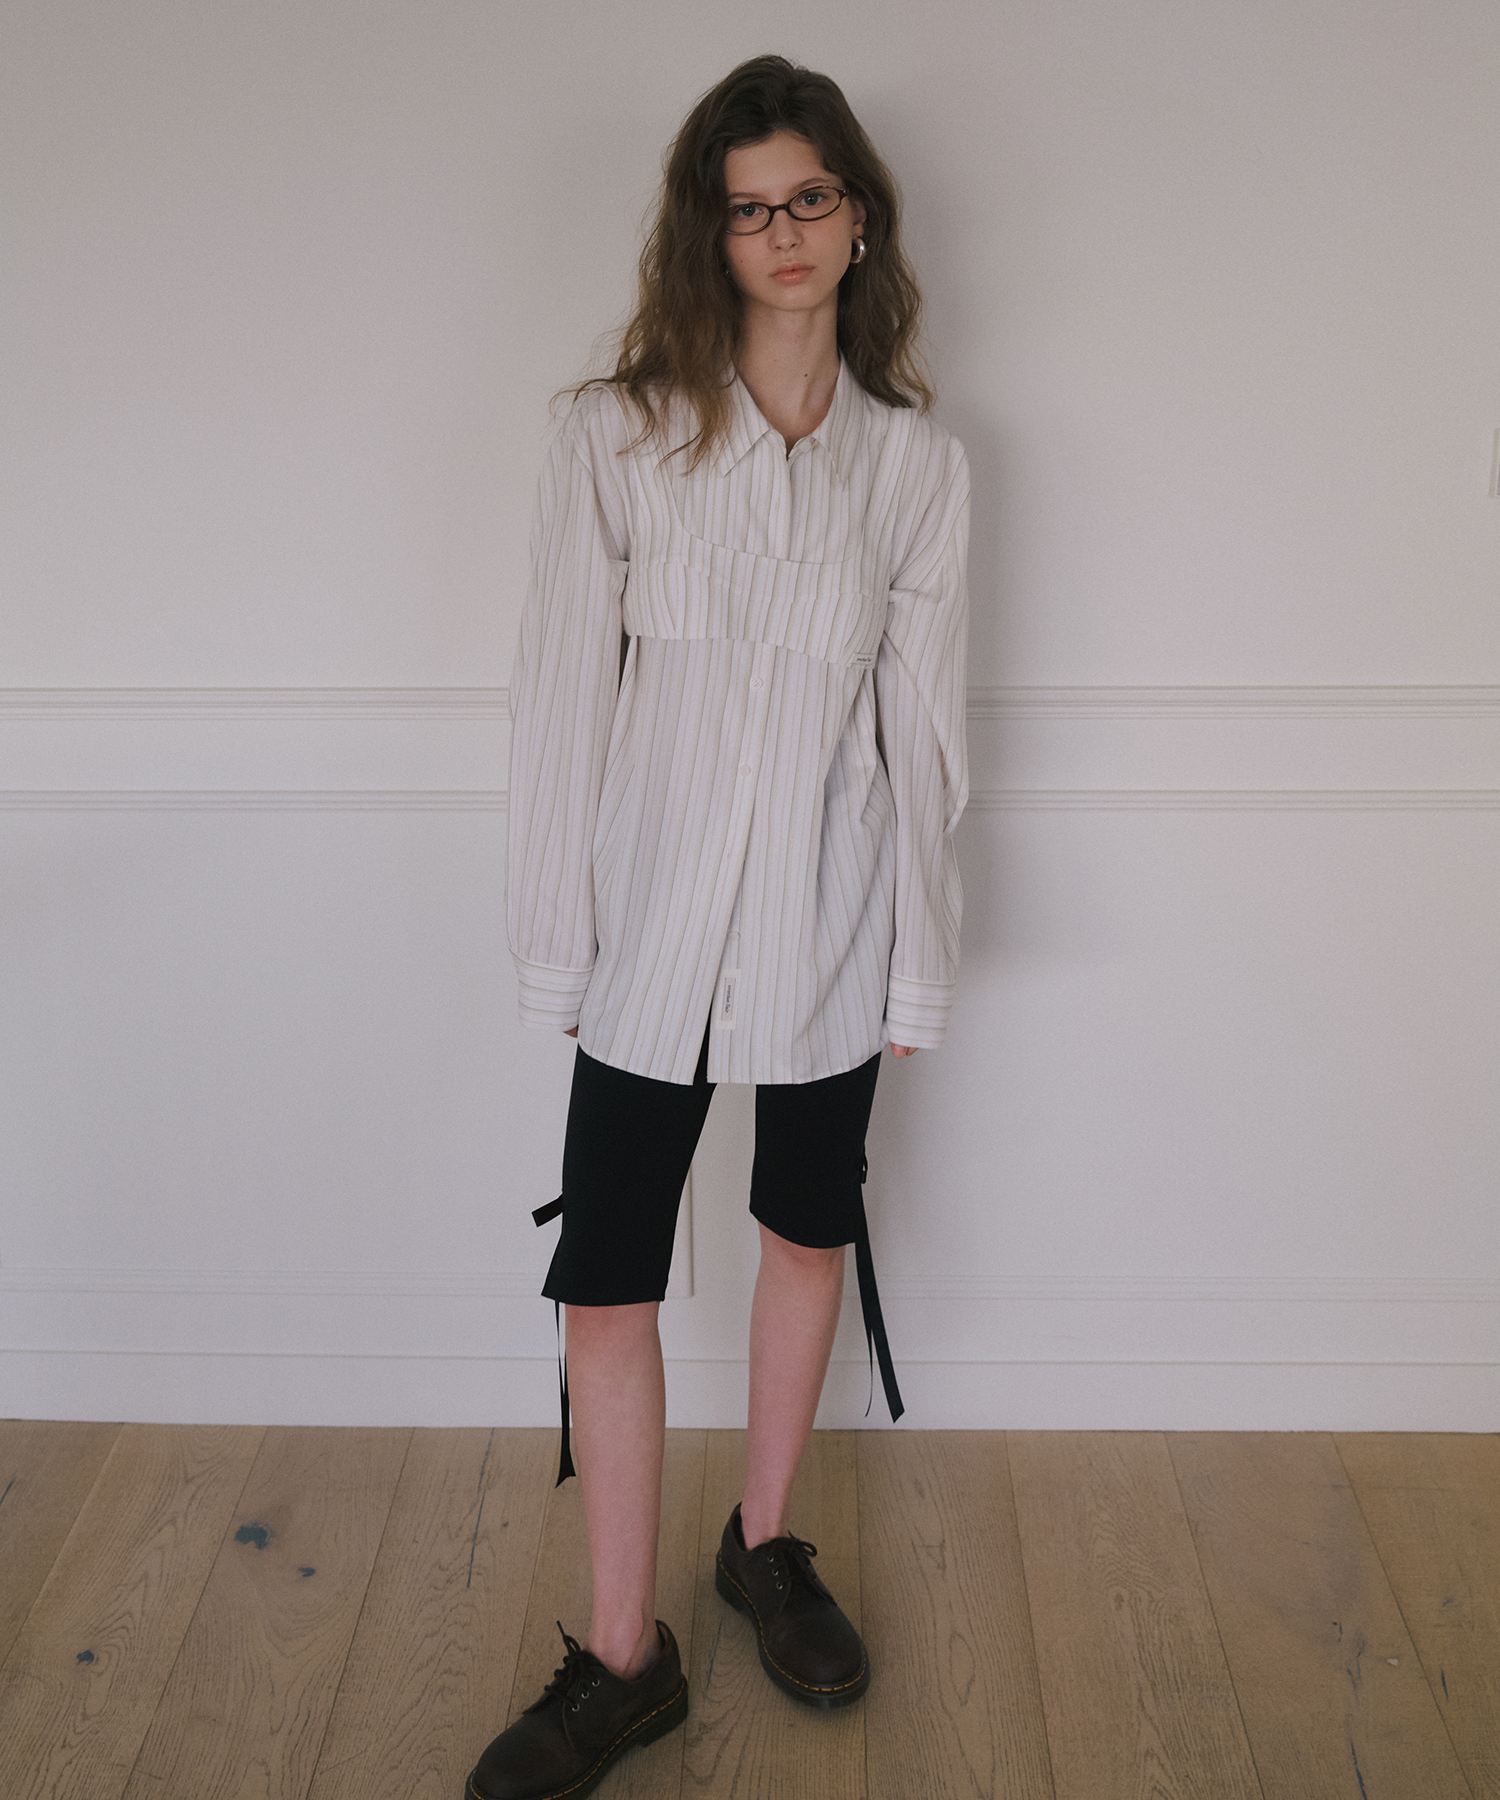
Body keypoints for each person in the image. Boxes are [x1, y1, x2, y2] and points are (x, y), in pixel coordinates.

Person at [467, 52, 970, 1800]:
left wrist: (916, 960)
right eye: (748, 207)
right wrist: (559, 940)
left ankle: (763, 1544)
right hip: (649, 939)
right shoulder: (610, 440)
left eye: (809, 198)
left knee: (806, 1235)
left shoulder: (917, 469)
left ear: (858, 219)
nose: (782, 232)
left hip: (831, 928)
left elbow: (924, 740)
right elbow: (557, 710)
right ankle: (624, 1656)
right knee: (605, 1282)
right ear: (711, 232)